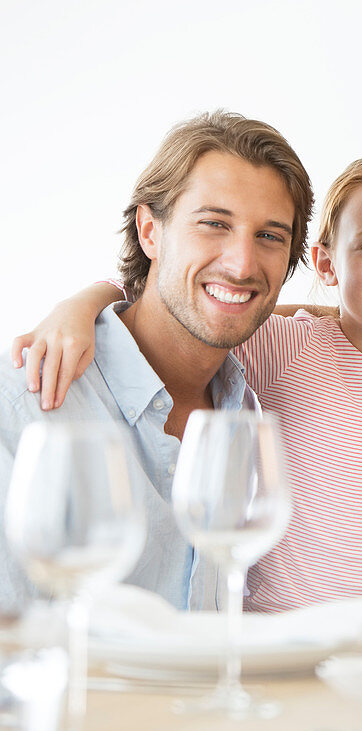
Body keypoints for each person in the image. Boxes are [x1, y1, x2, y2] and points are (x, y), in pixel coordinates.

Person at [11, 155, 362, 612]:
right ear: (325, 264)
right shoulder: (290, 348)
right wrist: (83, 303)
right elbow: (193, 305)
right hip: (276, 643)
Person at [0, 111, 314, 613]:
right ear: (150, 231)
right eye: (214, 224)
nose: (242, 263)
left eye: (270, 236)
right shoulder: (28, 404)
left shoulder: (252, 407)